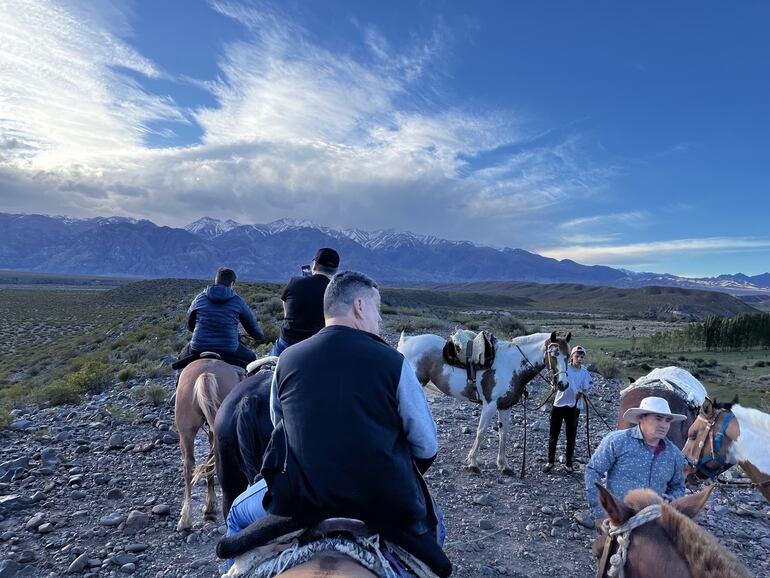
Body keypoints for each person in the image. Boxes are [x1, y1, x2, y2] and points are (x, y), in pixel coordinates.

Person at [262, 270, 449, 574]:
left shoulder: (287, 360)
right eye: (377, 307)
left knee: (235, 517)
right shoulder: (393, 362)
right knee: (438, 528)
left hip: (302, 504)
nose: (379, 318)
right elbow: (426, 445)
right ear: (360, 306)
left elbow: (279, 428)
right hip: (384, 505)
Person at [584, 396, 687, 521]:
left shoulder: (675, 455)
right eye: (658, 418)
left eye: (667, 420)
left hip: (654, 521)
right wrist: (601, 510)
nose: (664, 425)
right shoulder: (617, 441)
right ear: (641, 418)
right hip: (618, 517)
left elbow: (678, 487)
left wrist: (669, 501)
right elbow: (593, 470)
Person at [182, 267, 264, 368]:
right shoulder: (238, 301)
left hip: (198, 347)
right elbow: (253, 328)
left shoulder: (199, 298)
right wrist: (259, 336)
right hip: (229, 349)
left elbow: (189, 325)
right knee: (252, 359)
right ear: (232, 284)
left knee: (180, 360)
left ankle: (178, 382)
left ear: (216, 281)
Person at [270, 247, 340, 356]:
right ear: (335, 271)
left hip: (288, 342)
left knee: (269, 366)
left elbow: (285, 306)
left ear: (315, 265)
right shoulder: (337, 292)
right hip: (317, 345)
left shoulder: (295, 282)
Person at [543, 345, 593, 474]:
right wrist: (553, 387)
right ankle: (550, 462)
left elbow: (587, 388)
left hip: (574, 407)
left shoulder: (584, 372)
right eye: (577, 356)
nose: (579, 359)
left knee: (571, 436)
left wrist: (582, 393)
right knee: (553, 434)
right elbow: (554, 382)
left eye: (582, 357)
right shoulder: (564, 368)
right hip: (559, 404)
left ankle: (568, 464)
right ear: (571, 356)